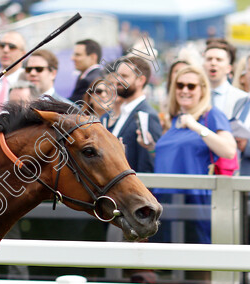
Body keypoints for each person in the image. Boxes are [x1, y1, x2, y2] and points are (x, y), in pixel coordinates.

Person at [137, 65, 237, 244]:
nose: (184, 90)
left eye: (191, 86)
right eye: (180, 85)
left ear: (202, 90)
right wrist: (151, 147)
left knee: (196, 260)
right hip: (165, 201)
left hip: (195, 200)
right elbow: (172, 159)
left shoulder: (211, 115)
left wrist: (196, 126)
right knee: (167, 263)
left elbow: (229, 151)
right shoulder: (175, 119)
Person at [104, 56, 162, 174]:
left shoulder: (147, 115)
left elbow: (147, 165)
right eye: (117, 75)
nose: (118, 80)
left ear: (140, 80)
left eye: (124, 76)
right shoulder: (121, 112)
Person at [204, 39, 247, 119]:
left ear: (228, 68)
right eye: (209, 59)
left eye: (219, 59)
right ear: (203, 65)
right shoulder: (194, 95)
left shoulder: (242, 98)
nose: (213, 63)